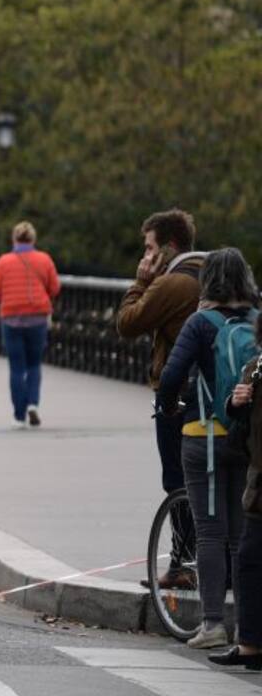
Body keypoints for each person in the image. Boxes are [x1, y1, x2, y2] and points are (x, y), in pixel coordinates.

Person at [156, 247, 257, 649]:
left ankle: (212, 623)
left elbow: (171, 376)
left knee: (211, 533)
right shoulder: (256, 320)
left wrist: (166, 408)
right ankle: (248, 627)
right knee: (242, 532)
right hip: (248, 439)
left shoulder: (200, 323)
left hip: (205, 436)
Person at [116, 209, 204, 590]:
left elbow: (128, 322)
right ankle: (223, 564)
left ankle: (183, 563)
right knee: (219, 482)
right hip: (219, 394)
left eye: (150, 248)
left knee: (178, 481)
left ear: (168, 247)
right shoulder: (216, 274)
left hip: (179, 395)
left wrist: (140, 280)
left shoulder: (172, 284)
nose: (146, 255)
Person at [213, 316, 262, 671]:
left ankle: (251, 645)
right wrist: (236, 401)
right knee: (248, 559)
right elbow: (236, 412)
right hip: (258, 479)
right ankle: (250, 644)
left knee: (249, 558)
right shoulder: (257, 364)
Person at [0, 221, 60, 428]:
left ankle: (19, 416)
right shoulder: (44, 259)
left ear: (14, 239)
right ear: (33, 239)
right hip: (37, 317)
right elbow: (54, 287)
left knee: (17, 367)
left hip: (11, 318)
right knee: (34, 364)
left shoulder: (3, 262)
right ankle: (33, 404)